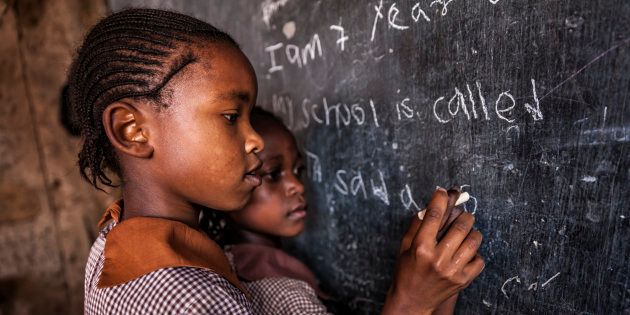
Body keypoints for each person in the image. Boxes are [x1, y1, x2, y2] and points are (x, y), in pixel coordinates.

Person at [69, 8, 484, 315]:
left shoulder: (120, 242)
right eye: (231, 117)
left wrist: (434, 294)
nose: (253, 140)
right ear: (132, 131)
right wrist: (408, 301)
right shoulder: (187, 299)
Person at [220, 108, 470, 314]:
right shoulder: (274, 289)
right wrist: (411, 299)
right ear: (226, 181)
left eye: (298, 170)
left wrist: (436, 286)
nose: (297, 186)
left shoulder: (257, 263)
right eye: (273, 174)